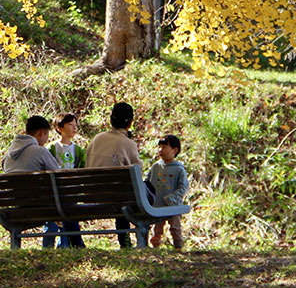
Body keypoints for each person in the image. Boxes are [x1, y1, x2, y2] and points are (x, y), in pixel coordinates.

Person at [86, 101, 142, 248]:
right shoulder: (128, 144)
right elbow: (138, 172)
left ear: (111, 120)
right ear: (130, 123)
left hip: (92, 196)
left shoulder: (96, 139)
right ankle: (127, 242)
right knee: (141, 190)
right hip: (118, 200)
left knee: (121, 195)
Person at [2, 115, 61, 247]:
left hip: (16, 208)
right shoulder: (40, 151)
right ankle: (74, 244)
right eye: (46, 135)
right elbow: (59, 176)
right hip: (40, 206)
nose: (46, 140)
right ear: (41, 133)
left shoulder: (8, 156)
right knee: (59, 202)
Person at [46, 112, 86, 248]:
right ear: (60, 128)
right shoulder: (51, 148)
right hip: (56, 192)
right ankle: (50, 247)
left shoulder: (78, 150)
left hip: (69, 193)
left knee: (65, 220)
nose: (74, 128)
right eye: (70, 125)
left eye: (75, 125)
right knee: (53, 222)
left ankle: (63, 246)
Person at [147, 134, 189, 249]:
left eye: (165, 147)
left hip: (173, 206)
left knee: (175, 227)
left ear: (174, 150)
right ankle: (155, 247)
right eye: (159, 147)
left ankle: (178, 247)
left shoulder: (179, 169)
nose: (161, 150)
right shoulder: (156, 167)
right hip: (158, 204)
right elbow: (147, 183)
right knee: (157, 229)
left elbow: (183, 187)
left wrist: (173, 198)